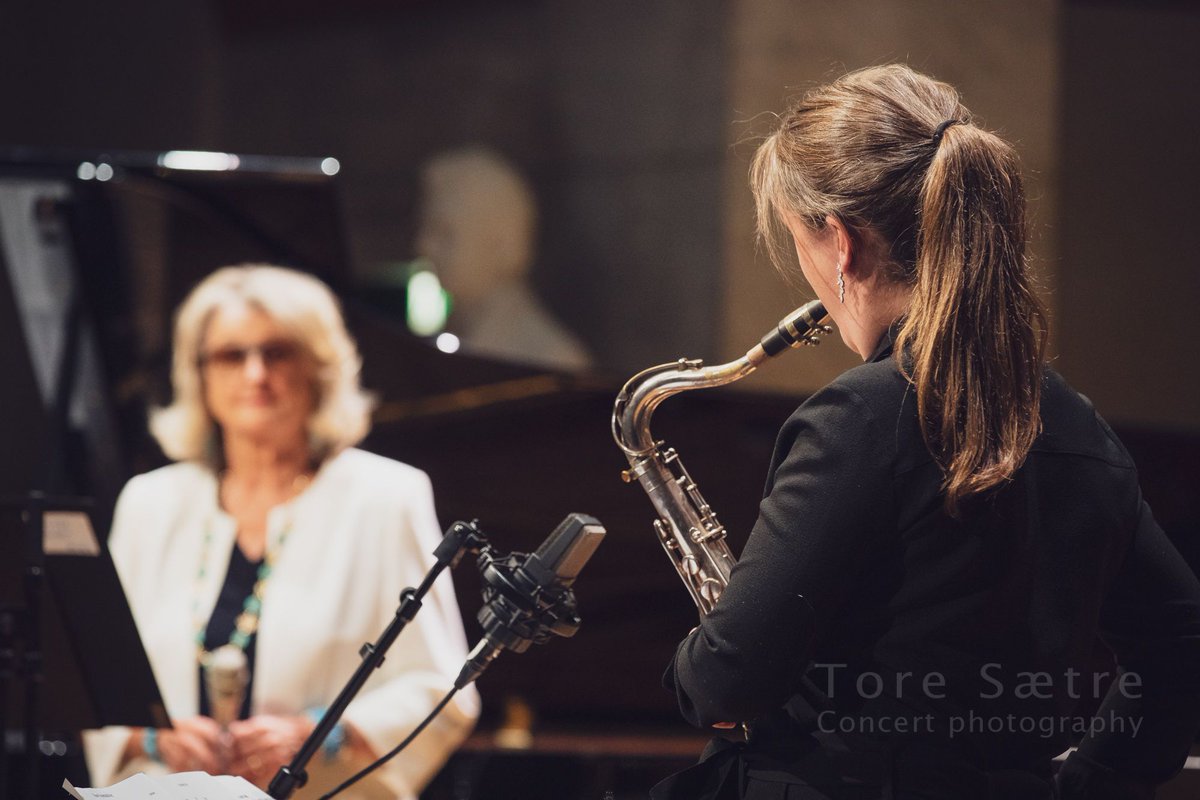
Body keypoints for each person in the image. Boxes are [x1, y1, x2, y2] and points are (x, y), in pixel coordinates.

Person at [655, 65, 1200, 800]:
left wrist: (692, 665)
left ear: (841, 244)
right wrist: (1093, 784)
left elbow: (728, 683)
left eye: (799, 246)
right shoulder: (1076, 427)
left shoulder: (859, 418)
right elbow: (1182, 649)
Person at [84, 265, 480, 799]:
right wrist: (153, 739)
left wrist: (321, 734)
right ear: (198, 374)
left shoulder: (384, 497)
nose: (254, 374)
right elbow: (93, 677)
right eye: (230, 355)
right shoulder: (150, 502)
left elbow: (441, 690)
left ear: (318, 368)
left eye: (276, 352)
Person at [415, 147, 593, 371]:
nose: (423, 246)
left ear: (500, 244)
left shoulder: (550, 358)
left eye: (444, 233)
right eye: (426, 230)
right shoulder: (449, 338)